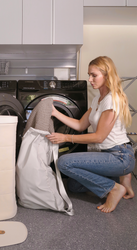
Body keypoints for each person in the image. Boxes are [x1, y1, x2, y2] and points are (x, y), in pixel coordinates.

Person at [46, 56, 135, 213]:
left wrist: (65, 137)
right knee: (74, 185)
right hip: (110, 155)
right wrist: (54, 112)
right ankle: (120, 179)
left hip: (120, 156)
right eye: (89, 75)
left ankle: (114, 188)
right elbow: (80, 125)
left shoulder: (111, 100)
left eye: (94, 75)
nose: (90, 79)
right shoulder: (98, 100)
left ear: (107, 75)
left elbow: (99, 137)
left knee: (64, 163)